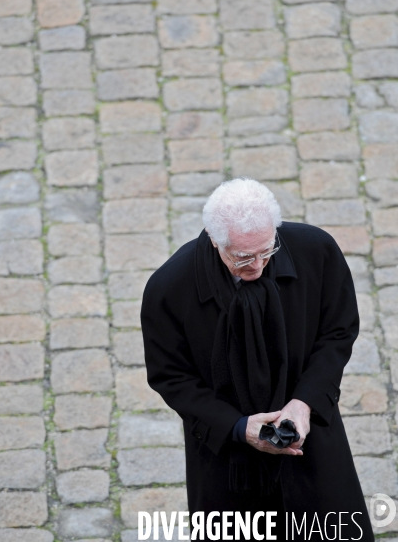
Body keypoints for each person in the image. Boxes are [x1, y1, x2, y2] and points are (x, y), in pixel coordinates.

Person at [141, 178, 374, 541]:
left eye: (267, 250)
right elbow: (171, 377)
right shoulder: (169, 289)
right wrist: (237, 427)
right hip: (225, 456)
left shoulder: (317, 251)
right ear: (214, 239)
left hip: (312, 438)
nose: (259, 266)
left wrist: (305, 402)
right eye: (243, 257)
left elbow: (338, 331)